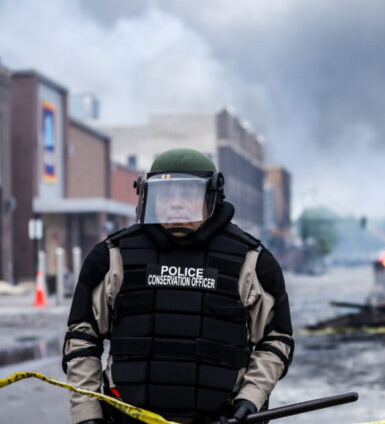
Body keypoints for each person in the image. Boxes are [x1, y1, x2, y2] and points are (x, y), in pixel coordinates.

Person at [62, 148, 293, 424]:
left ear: (212, 197)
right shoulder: (112, 257)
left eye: (187, 194)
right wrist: (87, 414)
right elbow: (82, 337)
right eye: (166, 194)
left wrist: (250, 400)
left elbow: (276, 340)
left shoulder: (253, 262)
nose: (175, 204)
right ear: (148, 196)